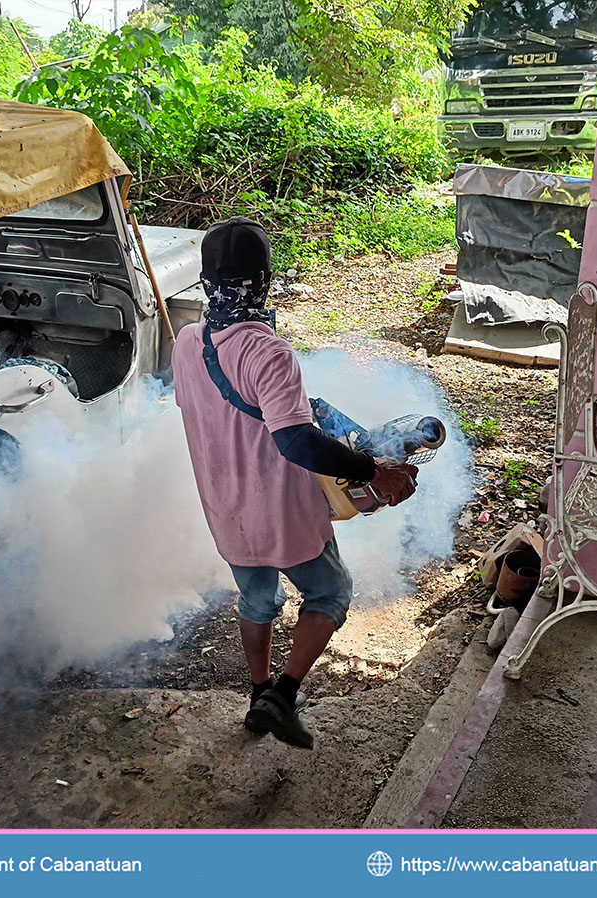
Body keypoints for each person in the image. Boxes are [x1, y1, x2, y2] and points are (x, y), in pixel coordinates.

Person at [172, 217, 417, 749]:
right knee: (330, 592)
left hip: (224, 507)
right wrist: (376, 471)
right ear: (262, 278)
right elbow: (295, 443)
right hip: (280, 510)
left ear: (206, 279)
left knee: (257, 599)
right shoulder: (268, 352)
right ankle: (282, 695)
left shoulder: (187, 341)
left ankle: (257, 691)